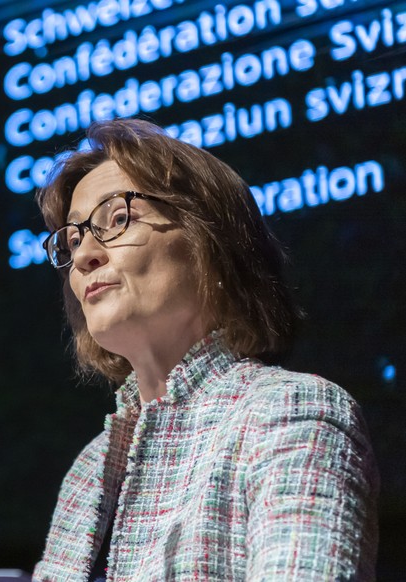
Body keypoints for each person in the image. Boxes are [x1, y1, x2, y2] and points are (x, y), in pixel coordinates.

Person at [32, 118, 378, 581]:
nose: (83, 255)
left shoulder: (293, 411)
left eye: (116, 218)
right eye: (73, 240)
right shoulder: (88, 472)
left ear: (208, 241)